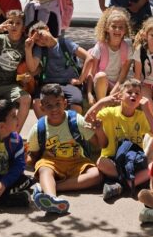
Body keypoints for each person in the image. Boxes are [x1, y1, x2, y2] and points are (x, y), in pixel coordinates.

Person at [26, 84, 101, 214]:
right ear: (42, 107)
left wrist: (98, 130)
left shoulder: (76, 120)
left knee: (97, 175)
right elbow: (34, 156)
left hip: (77, 161)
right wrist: (24, 158)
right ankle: (51, 198)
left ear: (65, 103)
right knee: (44, 169)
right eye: (49, 105)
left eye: (58, 104)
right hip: (51, 162)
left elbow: (97, 144)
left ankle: (52, 187)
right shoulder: (38, 128)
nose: (54, 109)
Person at [85, 79, 153, 201]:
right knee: (101, 162)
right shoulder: (110, 113)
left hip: (133, 160)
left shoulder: (141, 116)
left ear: (140, 98)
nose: (133, 95)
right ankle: (130, 181)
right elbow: (87, 119)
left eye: (137, 93)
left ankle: (121, 184)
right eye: (129, 92)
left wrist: (147, 109)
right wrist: (103, 101)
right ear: (120, 95)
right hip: (113, 160)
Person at [25, 21, 90, 114]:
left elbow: (89, 58)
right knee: (37, 103)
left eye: (40, 35)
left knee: (76, 102)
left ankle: (72, 123)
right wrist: (28, 49)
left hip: (69, 83)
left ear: (47, 28)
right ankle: (45, 123)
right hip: (48, 83)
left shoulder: (65, 43)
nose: (41, 41)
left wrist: (80, 79)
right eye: (36, 41)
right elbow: (32, 68)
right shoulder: (39, 49)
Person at [85, 7, 133, 105]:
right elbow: (91, 73)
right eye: (114, 26)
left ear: (125, 30)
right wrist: (89, 93)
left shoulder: (128, 49)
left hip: (116, 84)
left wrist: (112, 93)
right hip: (99, 82)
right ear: (107, 28)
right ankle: (101, 105)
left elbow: (122, 77)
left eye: (121, 27)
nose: (117, 30)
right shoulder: (100, 46)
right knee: (101, 76)